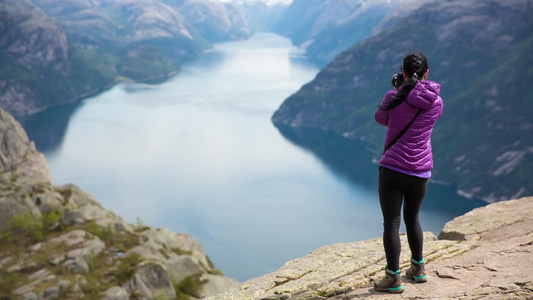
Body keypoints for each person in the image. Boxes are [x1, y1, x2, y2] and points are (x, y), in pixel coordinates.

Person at [373, 52, 443, 293]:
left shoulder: (393, 96)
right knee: (413, 219)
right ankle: (418, 268)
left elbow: (380, 118)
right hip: (420, 171)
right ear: (426, 73)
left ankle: (393, 278)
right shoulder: (437, 102)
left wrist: (397, 90)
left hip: (393, 169)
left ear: (402, 72)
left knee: (391, 223)